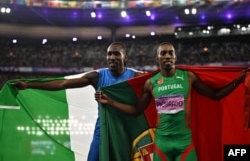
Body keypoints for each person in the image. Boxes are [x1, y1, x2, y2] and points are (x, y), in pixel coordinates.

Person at [95, 42, 250, 161]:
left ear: (175, 57)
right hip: (162, 145)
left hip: (185, 144)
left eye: (171, 53)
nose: (167, 56)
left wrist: (237, 81)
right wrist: (110, 102)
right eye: (163, 53)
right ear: (158, 58)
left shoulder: (188, 77)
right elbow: (136, 110)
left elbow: (215, 96)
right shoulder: (151, 83)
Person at [12, 42, 144, 161]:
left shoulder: (136, 77)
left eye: (116, 54)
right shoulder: (98, 76)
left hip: (124, 131)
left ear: (125, 57)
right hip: (102, 130)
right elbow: (63, 84)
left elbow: (158, 85)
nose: (112, 57)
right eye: (109, 54)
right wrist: (28, 85)